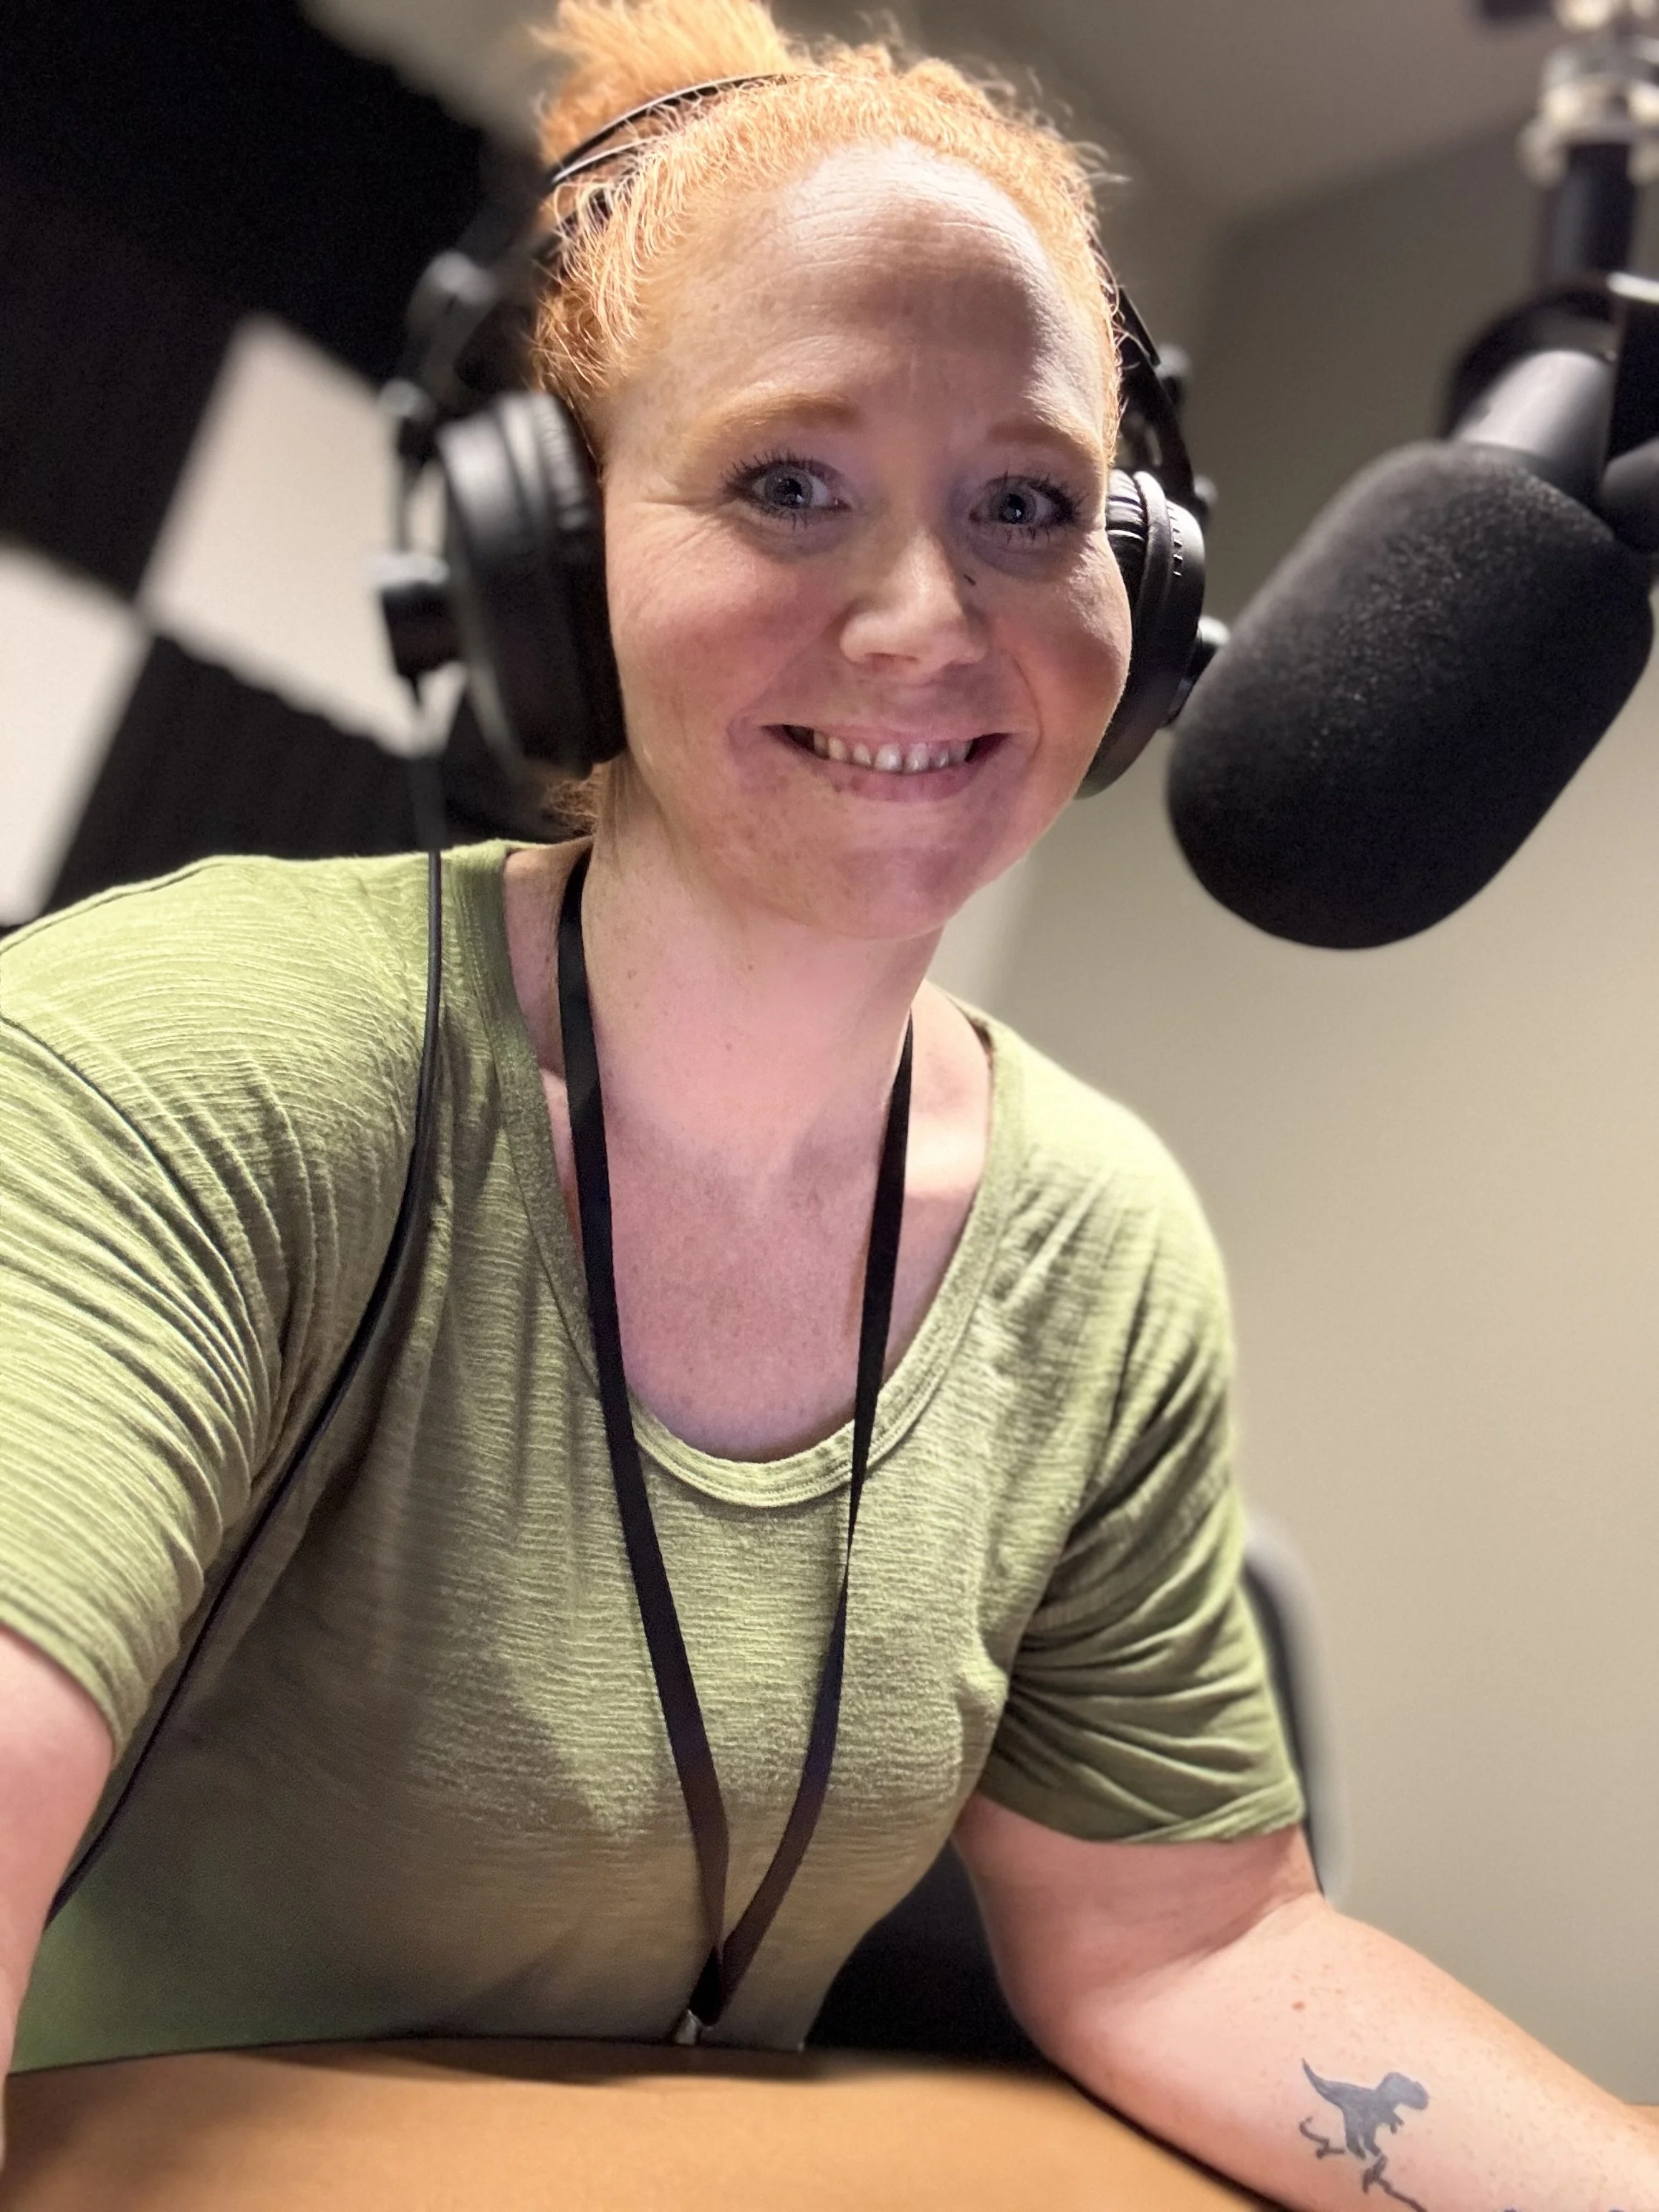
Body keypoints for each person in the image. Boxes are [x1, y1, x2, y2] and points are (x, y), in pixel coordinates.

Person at [0, 1, 1654, 2201]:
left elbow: (1185, 1941)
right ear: (554, 567)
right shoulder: (188, 1054)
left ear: (1145, 603)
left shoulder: (1099, 1236)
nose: (923, 616)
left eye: (1025, 505)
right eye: (790, 483)